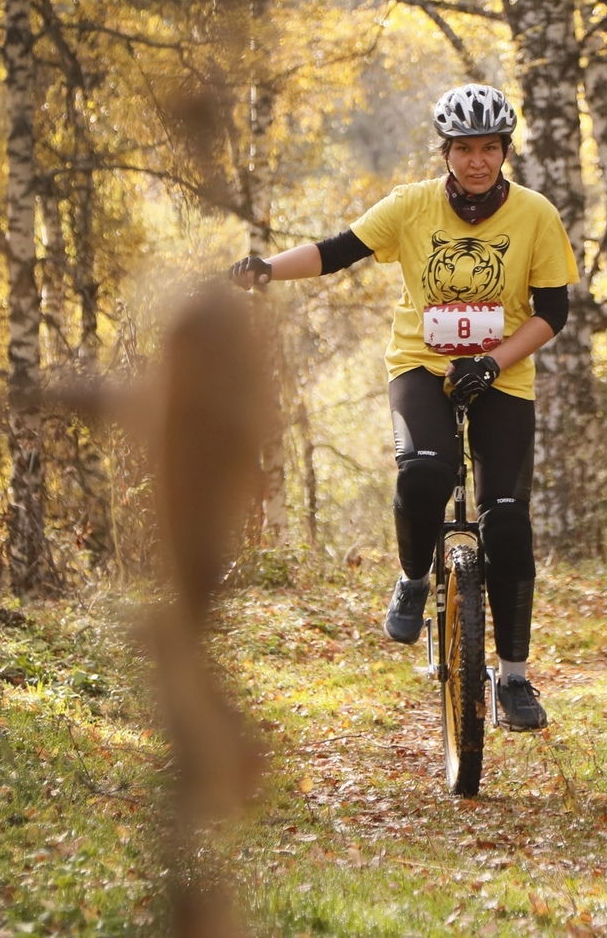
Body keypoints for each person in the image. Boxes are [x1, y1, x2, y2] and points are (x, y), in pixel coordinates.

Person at [227, 83, 575, 731]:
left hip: (502, 375)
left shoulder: (535, 216)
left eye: (490, 149)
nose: (477, 161)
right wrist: (266, 268)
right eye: (464, 149)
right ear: (445, 152)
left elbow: (553, 311)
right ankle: (415, 578)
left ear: (505, 151)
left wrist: (493, 361)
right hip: (422, 366)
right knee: (423, 474)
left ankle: (517, 681)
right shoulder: (411, 207)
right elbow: (337, 251)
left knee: (507, 521)